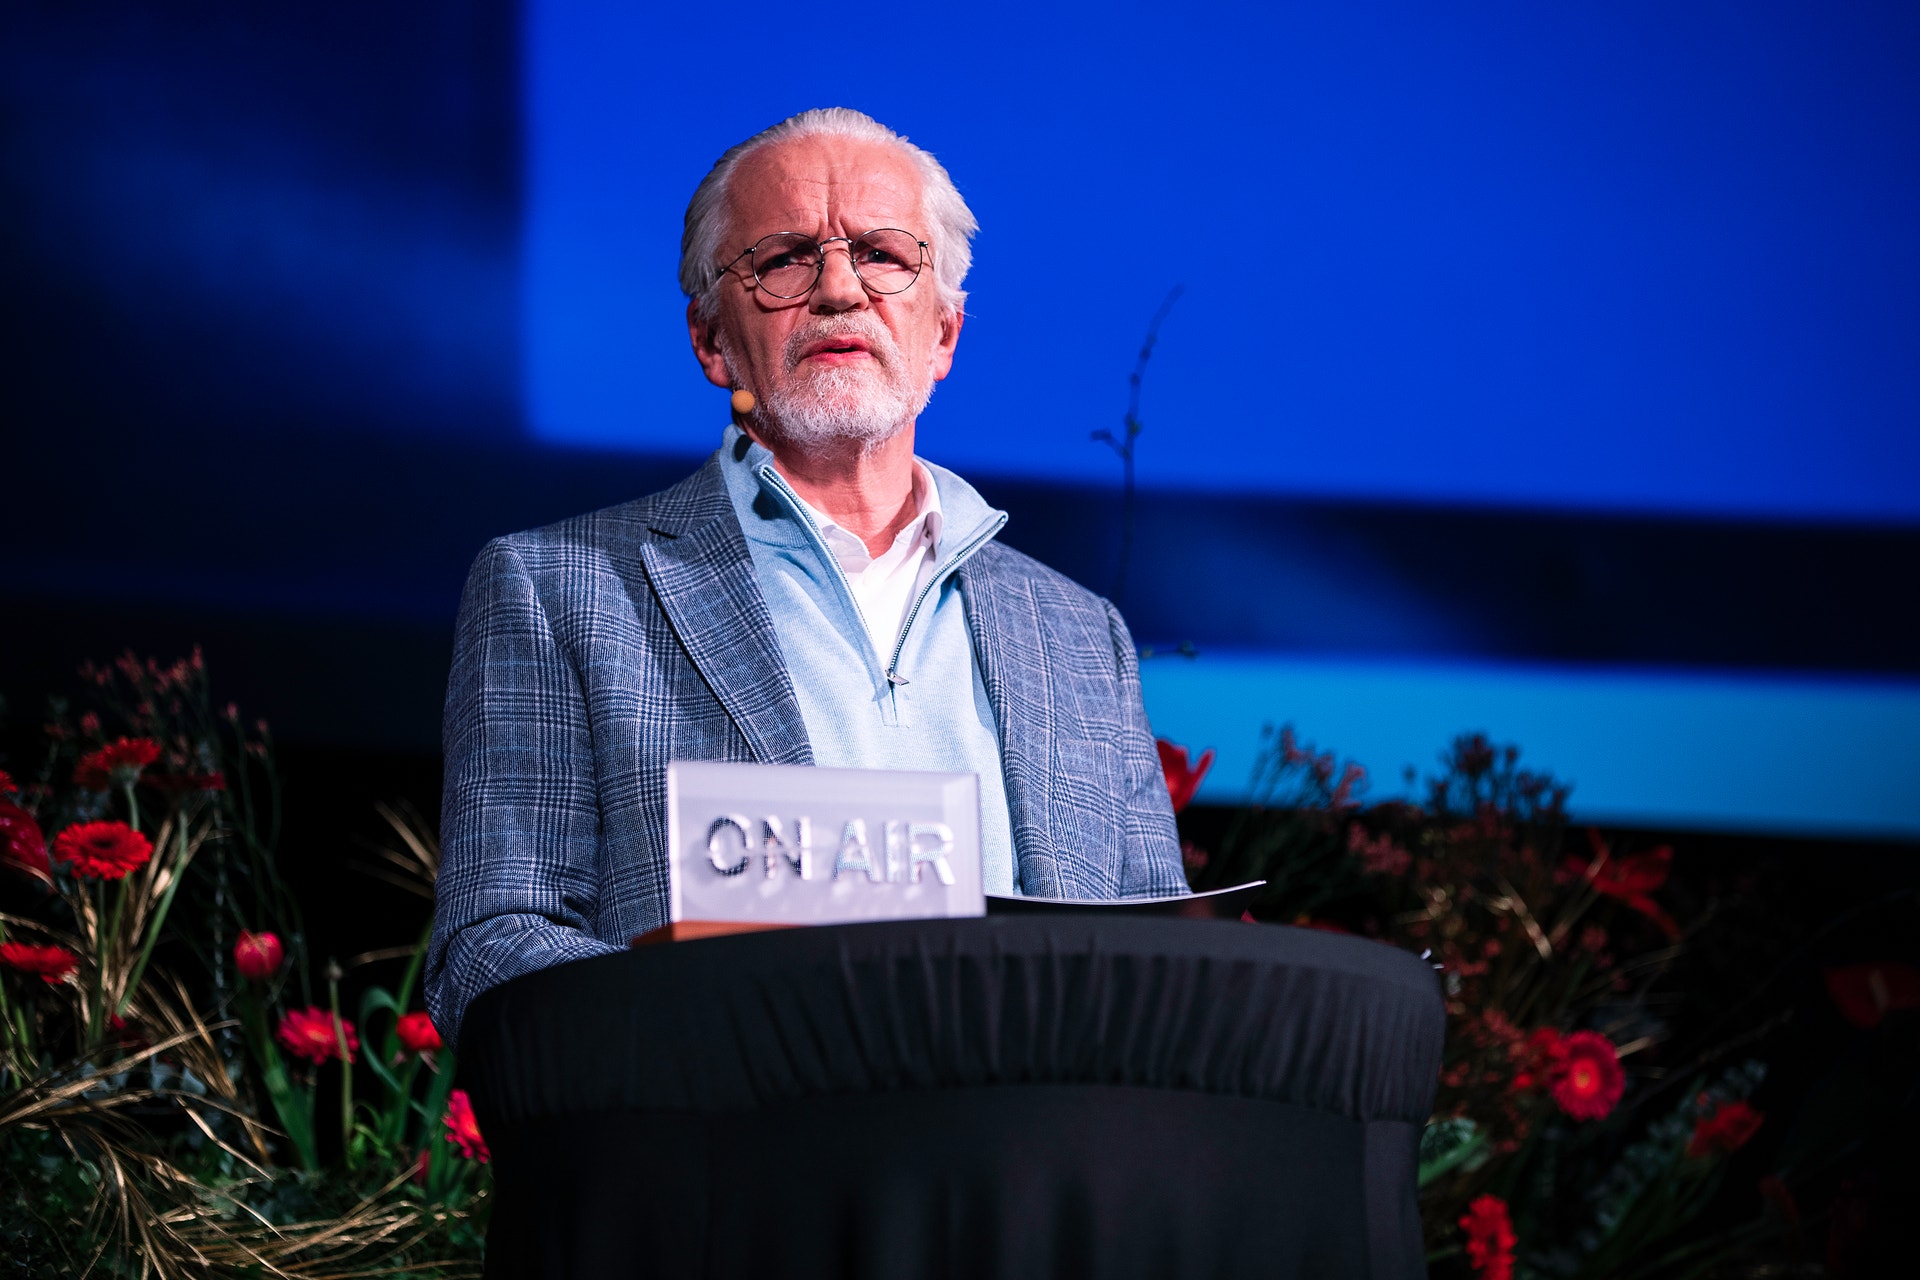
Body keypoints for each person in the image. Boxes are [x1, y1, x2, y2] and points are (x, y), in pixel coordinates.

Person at [426, 108, 1185, 1045]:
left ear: (944, 334)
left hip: (1031, 1134)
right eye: (783, 259)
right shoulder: (559, 591)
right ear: (712, 339)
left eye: (882, 254)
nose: (838, 288)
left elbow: (1166, 973)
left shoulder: (1080, 635)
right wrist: (720, 1037)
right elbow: (493, 949)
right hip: (724, 1128)